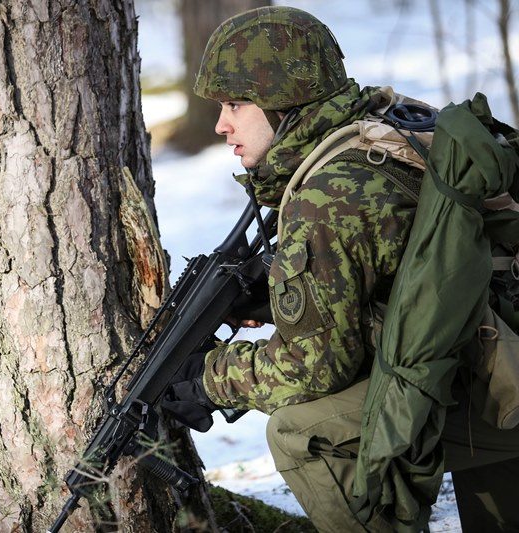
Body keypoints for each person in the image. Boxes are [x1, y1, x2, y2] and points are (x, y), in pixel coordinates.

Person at [160, 6, 519, 532]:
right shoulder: (390, 123)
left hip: (497, 386)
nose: (221, 124)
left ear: (284, 100)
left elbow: (313, 368)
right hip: (501, 347)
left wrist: (209, 378)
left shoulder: (329, 194)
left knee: (301, 433)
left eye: (236, 103)